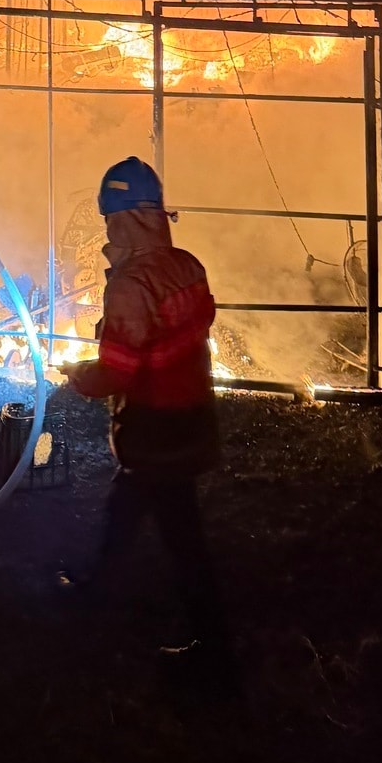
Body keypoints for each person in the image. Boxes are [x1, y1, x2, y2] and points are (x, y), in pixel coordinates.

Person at [62, 156, 230, 666]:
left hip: (156, 428)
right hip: (193, 416)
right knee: (128, 504)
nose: (107, 230)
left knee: (182, 537)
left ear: (127, 220)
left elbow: (119, 371)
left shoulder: (131, 286)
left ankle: (214, 652)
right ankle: (97, 586)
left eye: (111, 220)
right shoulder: (188, 266)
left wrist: (78, 377)